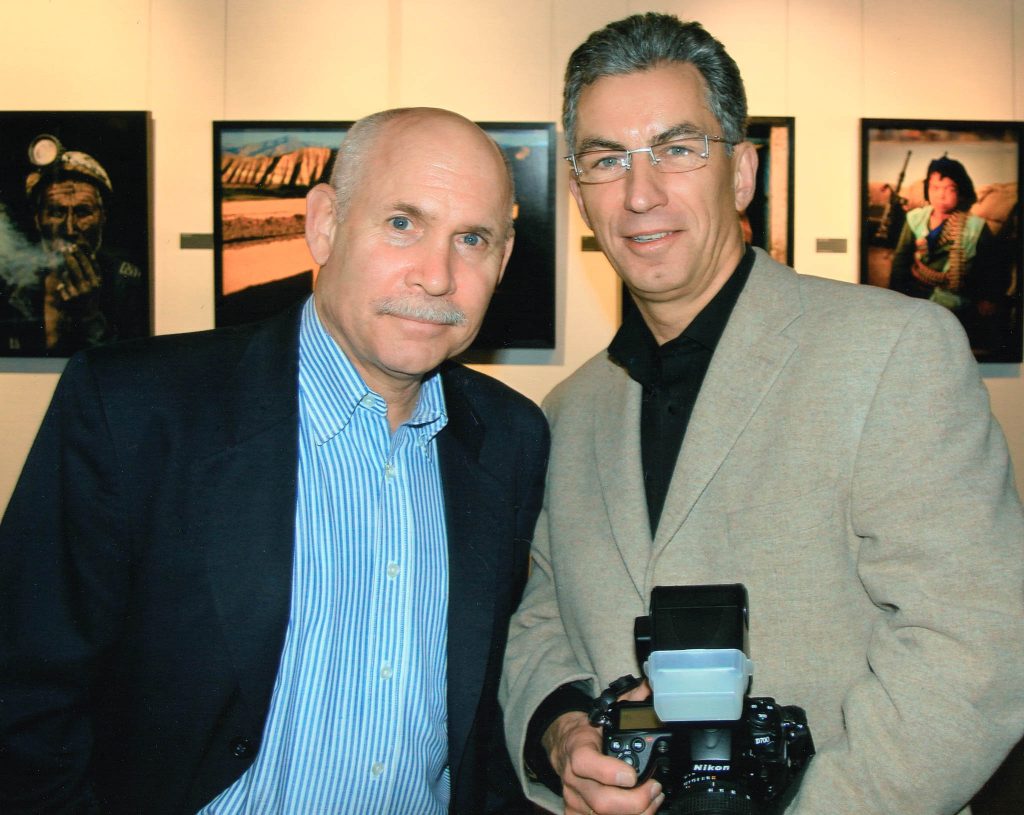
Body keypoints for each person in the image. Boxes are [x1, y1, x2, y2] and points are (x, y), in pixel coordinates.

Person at [500, 13, 1024, 815]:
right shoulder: (569, 411)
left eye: (677, 149)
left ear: (741, 173)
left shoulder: (892, 350)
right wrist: (562, 732)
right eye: (607, 159)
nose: (640, 193)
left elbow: (979, 647)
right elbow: (540, 617)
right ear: (579, 194)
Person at [0, 107, 549, 814]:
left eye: (472, 238)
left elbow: (482, 716)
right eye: (403, 224)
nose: (437, 276)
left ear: (502, 262)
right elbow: (25, 700)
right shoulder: (134, 408)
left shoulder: (510, 438)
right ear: (324, 224)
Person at [0, 136, 147, 355]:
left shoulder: (127, 283)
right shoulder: (10, 283)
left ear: (102, 217)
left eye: (83, 212)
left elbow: (128, 364)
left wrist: (89, 316)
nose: (69, 229)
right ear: (38, 219)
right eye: (57, 212)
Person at [889, 155, 1008, 344]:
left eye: (949, 189)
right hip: (917, 291)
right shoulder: (915, 219)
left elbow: (993, 265)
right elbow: (901, 260)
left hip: (959, 296)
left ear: (960, 192)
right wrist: (896, 296)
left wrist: (989, 297)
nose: (940, 194)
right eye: (934, 188)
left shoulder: (975, 227)